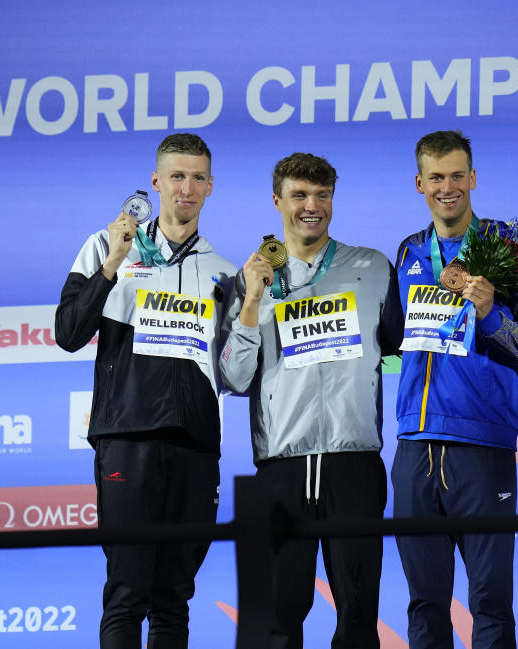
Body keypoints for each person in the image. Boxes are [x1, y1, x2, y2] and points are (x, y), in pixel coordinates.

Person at [55, 133, 236, 649]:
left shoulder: (225, 272)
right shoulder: (105, 244)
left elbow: (237, 367)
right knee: (126, 595)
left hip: (195, 448)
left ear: (210, 186)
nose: (187, 187)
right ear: (156, 182)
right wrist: (112, 265)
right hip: (126, 440)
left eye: (197, 177)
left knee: (174, 600)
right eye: (176, 176)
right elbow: (67, 332)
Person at [219, 153, 403, 649]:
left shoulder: (373, 267)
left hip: (355, 462)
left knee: (360, 617)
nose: (311, 206)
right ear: (277, 201)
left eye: (322, 196)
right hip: (281, 469)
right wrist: (253, 302)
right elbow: (234, 379)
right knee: (278, 623)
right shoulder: (247, 279)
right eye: (299, 195)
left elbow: (395, 349)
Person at [392, 130, 518, 649]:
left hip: (482, 450)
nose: (448, 187)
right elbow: (391, 344)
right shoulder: (407, 252)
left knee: (489, 605)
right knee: (425, 606)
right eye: (436, 177)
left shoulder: (511, 251)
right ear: (419, 183)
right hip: (414, 446)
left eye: (457, 175)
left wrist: (491, 316)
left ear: (474, 178)